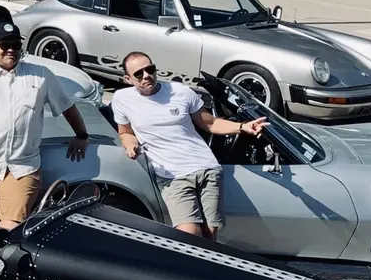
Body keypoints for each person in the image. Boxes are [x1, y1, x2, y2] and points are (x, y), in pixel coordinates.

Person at [0, 24, 91, 230]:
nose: (11, 49)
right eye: (5, 45)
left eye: (16, 44)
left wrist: (81, 134)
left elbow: (66, 105)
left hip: (22, 167)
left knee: (10, 229)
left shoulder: (42, 75)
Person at [113, 51, 267, 239]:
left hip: (205, 167)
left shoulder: (181, 92)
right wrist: (130, 145)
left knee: (209, 236)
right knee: (188, 236)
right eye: (139, 74)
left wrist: (242, 127)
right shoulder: (122, 99)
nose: (146, 76)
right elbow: (125, 132)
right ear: (128, 78)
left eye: (150, 69)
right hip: (171, 175)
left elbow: (210, 123)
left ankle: (208, 268)